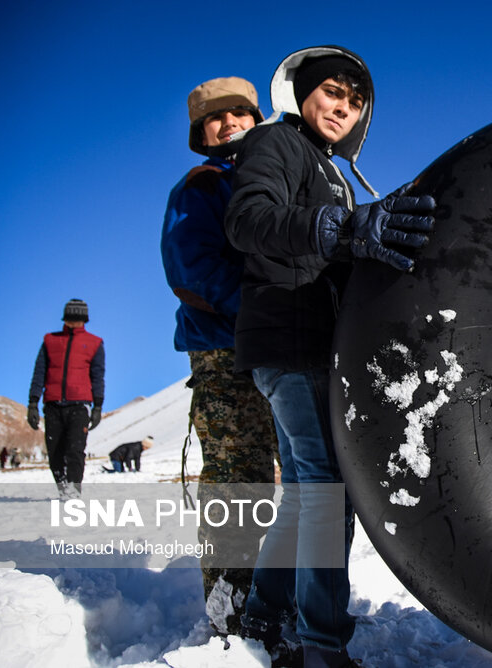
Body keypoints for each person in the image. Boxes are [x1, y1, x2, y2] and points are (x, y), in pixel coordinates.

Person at [224, 45, 435, 668]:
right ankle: (319, 644)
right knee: (326, 493)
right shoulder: (275, 145)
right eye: (331, 94)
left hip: (310, 343)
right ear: (303, 95)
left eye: (353, 101)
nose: (342, 108)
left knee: (304, 493)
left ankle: (263, 614)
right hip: (290, 338)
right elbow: (248, 218)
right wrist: (337, 229)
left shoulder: (328, 169)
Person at [161, 75, 278, 637]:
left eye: (240, 113)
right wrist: (259, 310)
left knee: (310, 477)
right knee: (238, 478)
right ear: (200, 133)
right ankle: (230, 615)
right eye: (216, 117)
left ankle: (285, 596)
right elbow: (192, 272)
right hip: (225, 351)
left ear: (257, 119)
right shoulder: (199, 189)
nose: (229, 123)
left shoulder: (277, 180)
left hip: (286, 345)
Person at [27, 299, 105, 498]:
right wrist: (33, 403)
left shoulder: (95, 343)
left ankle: (74, 491)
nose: (74, 323)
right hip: (53, 404)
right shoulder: (50, 340)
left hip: (80, 404)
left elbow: (98, 376)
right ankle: (63, 487)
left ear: (84, 320)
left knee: (75, 449)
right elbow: (39, 373)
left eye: (78, 319)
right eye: (71, 319)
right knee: (55, 452)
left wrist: (97, 407)